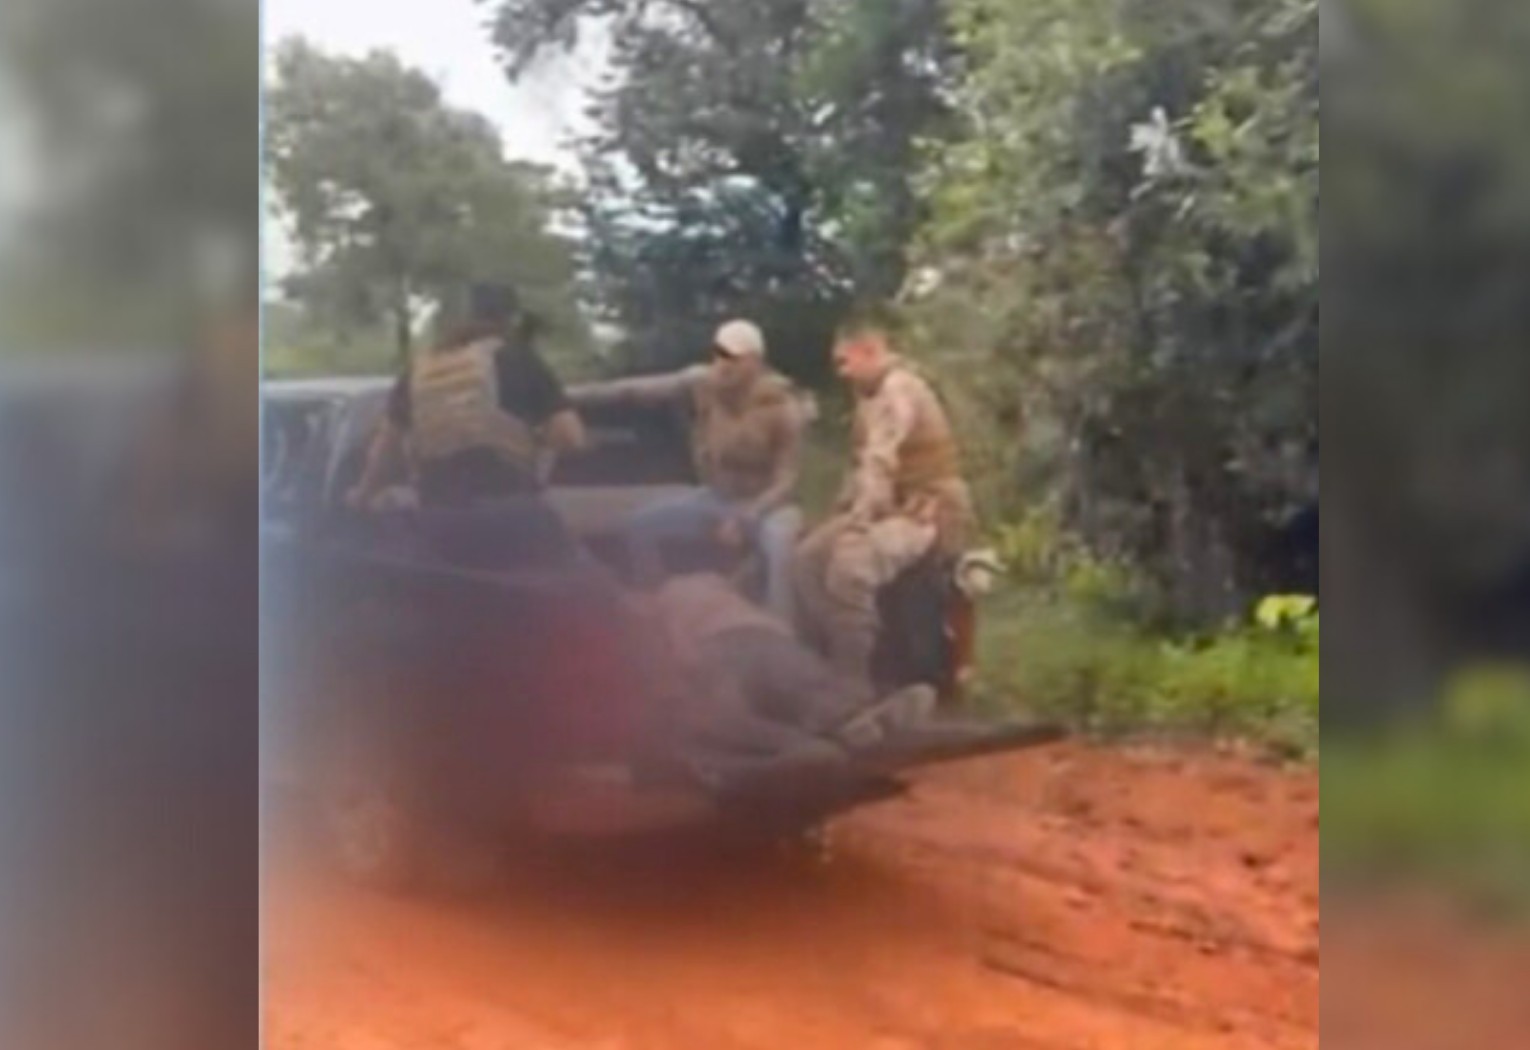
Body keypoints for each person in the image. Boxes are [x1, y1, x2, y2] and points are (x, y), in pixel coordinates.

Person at [792, 311, 976, 692]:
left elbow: (880, 459)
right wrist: (839, 515)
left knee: (850, 567)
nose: (842, 373)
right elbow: (860, 467)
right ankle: (834, 656)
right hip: (892, 507)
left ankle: (853, 679)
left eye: (845, 362)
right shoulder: (868, 397)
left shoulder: (898, 390)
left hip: (928, 511)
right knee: (807, 559)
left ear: (869, 351)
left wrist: (860, 519)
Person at [577, 319, 805, 621]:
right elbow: (636, 391)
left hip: (765, 503)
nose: (724, 365)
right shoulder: (703, 383)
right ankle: (656, 607)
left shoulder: (782, 407)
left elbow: (788, 479)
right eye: (719, 354)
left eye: (733, 358)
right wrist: (560, 397)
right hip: (716, 497)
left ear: (754, 362)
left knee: (780, 543)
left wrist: (746, 517)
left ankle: (782, 625)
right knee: (639, 526)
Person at [637, 572, 935, 793]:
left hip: (724, 644)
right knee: (802, 685)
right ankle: (848, 720)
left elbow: (671, 641)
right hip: (765, 637)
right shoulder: (715, 588)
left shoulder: (668, 595)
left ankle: (805, 742)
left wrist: (687, 662)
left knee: (735, 711)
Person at [346, 282, 585, 511]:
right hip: (508, 507)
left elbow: (386, 451)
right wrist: (531, 439)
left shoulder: (422, 368)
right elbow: (569, 437)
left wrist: (363, 495)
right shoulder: (520, 359)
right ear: (512, 320)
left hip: (437, 513)